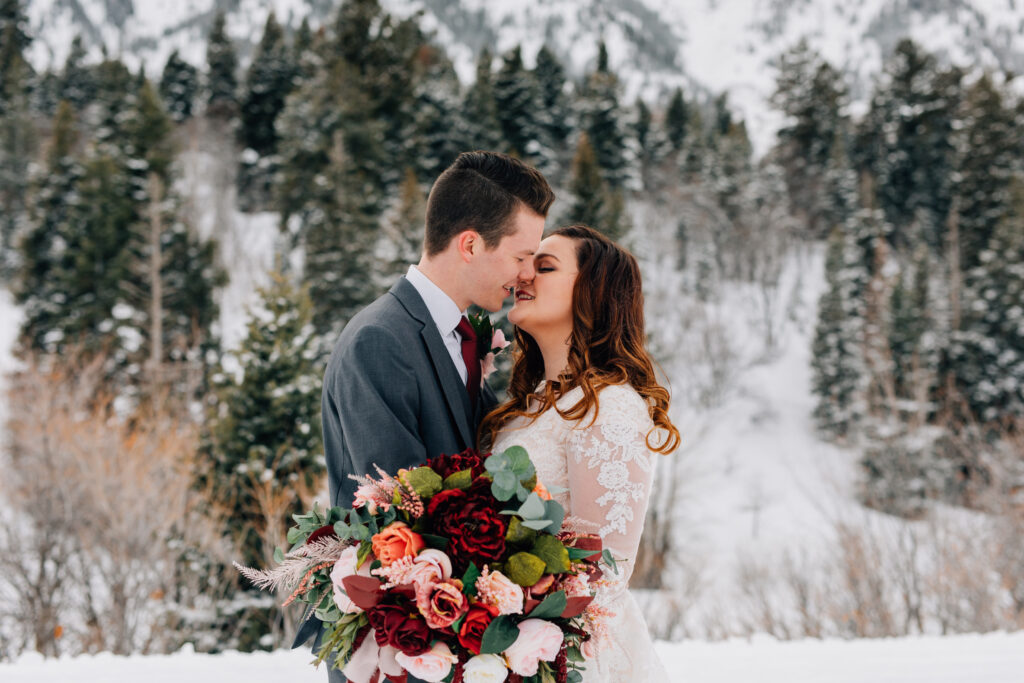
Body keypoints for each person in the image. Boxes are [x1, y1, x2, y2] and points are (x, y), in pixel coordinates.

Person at [293, 151, 555, 682]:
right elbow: (402, 512)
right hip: (397, 650)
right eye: (521, 256)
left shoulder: (460, 339)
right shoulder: (380, 340)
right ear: (470, 244)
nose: (527, 275)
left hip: (447, 648)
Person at [481, 224, 680, 683]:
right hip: (508, 645)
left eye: (545, 267)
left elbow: (604, 573)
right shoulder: (526, 405)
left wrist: (533, 654)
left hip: (569, 653)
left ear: (594, 294)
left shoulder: (608, 405)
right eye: (526, 264)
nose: (523, 276)